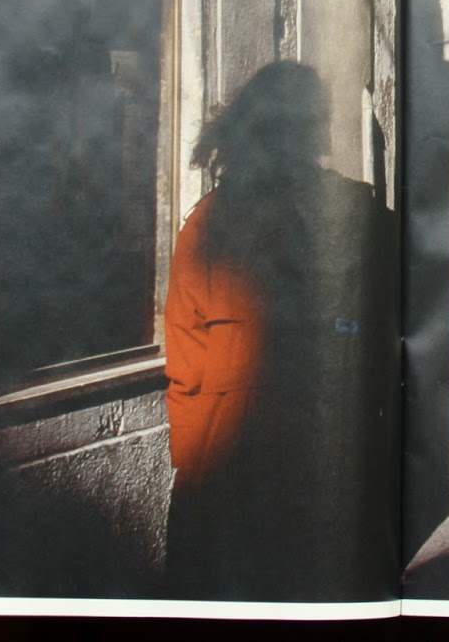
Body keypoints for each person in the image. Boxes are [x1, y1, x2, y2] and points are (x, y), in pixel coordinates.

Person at [162, 61, 397, 601]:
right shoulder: (351, 213)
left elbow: (185, 361)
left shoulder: (208, 221)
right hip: (290, 458)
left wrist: (193, 469)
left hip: (234, 462)